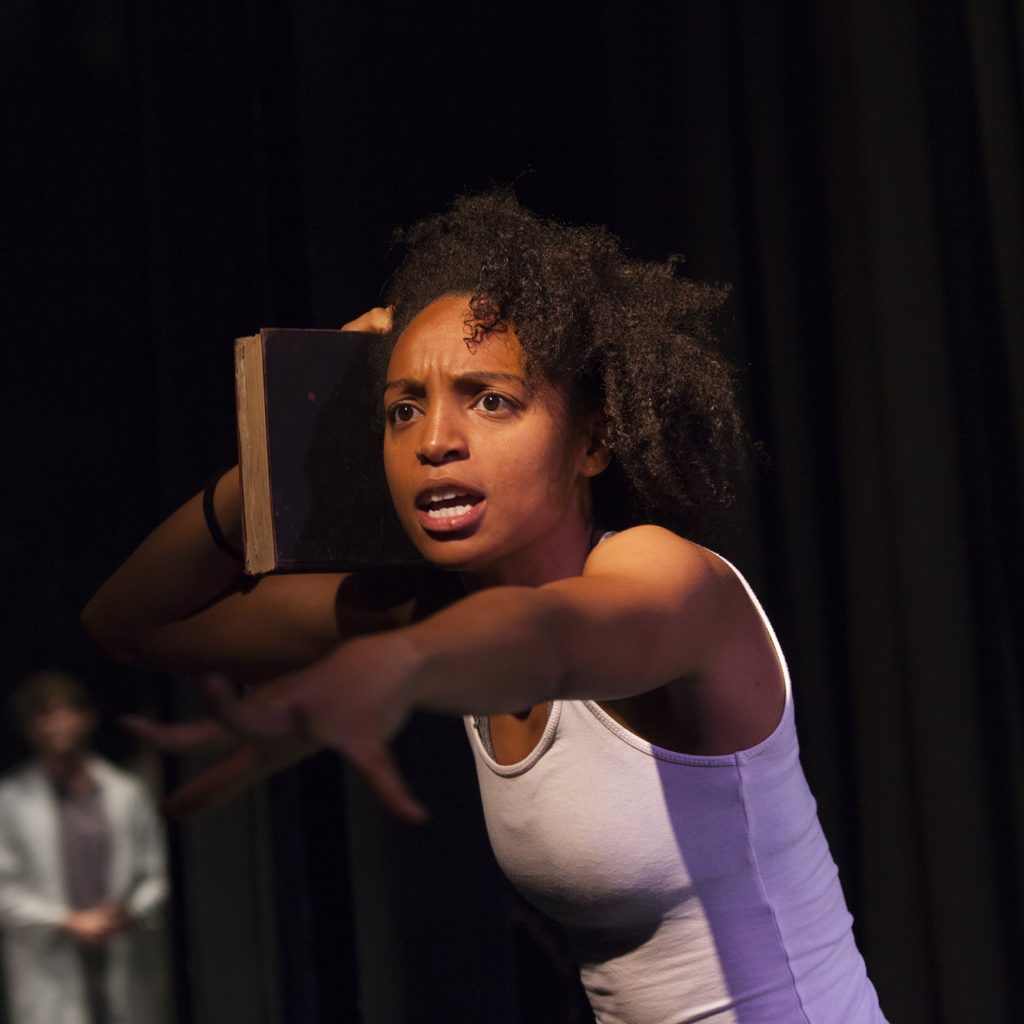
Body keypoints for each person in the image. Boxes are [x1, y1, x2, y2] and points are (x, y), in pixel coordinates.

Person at [83, 191, 887, 1022]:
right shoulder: (431, 614)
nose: (436, 439)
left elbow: (553, 638)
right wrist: (284, 456)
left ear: (592, 442)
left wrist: (396, 664)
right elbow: (134, 624)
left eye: (490, 399)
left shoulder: (665, 578)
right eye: (401, 410)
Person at [0, 670, 168, 1024]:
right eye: (44, 715)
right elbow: (4, 890)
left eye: (66, 711)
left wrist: (128, 913)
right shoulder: (11, 802)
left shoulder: (126, 794)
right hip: (49, 965)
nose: (57, 724)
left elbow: (154, 875)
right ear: (28, 728)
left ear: (87, 718)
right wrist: (69, 921)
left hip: (120, 954)